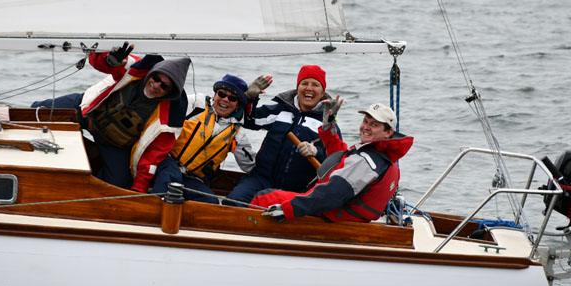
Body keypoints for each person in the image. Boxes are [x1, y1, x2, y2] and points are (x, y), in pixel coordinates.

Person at [31, 41, 190, 191]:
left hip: (116, 144)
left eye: (164, 86)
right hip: (89, 112)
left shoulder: (170, 117)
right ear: (152, 73)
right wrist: (110, 60)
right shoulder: (135, 66)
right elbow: (98, 61)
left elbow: (153, 155)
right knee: (36, 112)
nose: (156, 85)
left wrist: (139, 190)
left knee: (117, 186)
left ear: (170, 93)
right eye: (156, 78)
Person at [253, 101, 413, 223]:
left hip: (332, 215)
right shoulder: (383, 158)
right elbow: (341, 158)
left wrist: (289, 209)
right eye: (365, 121)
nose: (366, 127)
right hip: (340, 213)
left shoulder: (366, 161)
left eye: (374, 125)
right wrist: (329, 126)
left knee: (264, 197)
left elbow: (331, 195)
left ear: (388, 133)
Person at [225, 65, 341, 205]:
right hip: (261, 179)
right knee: (233, 203)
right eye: (304, 83)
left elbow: (336, 164)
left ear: (323, 92)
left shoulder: (327, 126)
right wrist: (249, 97)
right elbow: (247, 120)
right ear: (297, 88)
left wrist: (316, 152)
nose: (309, 88)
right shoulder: (280, 110)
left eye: (315, 84)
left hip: (296, 190)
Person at [151, 74, 257, 203]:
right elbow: (164, 108)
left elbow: (249, 166)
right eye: (221, 94)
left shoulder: (238, 133)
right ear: (215, 94)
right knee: (170, 177)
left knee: (210, 201)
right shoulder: (196, 103)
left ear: (238, 105)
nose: (225, 100)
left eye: (232, 98)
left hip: (193, 178)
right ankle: (150, 211)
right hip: (167, 161)